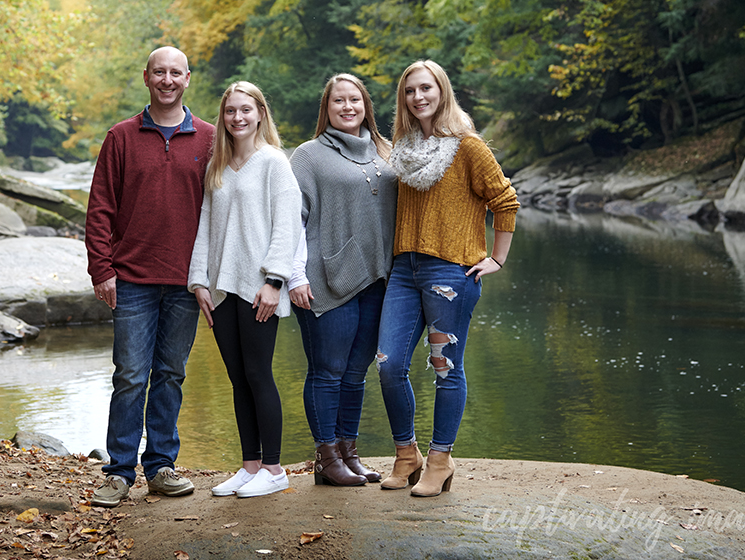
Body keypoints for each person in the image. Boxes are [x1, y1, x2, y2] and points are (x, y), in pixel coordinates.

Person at [376, 59, 519, 497]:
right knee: (388, 365)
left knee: (445, 367)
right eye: (410, 91)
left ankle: (440, 460)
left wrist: (496, 259)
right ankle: (407, 455)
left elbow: (505, 201)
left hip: (450, 273)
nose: (418, 97)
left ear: (442, 91)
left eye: (426, 88)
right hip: (404, 271)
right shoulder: (402, 148)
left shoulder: (468, 146)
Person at [84, 46, 216, 508]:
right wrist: (103, 269)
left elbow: (224, 211)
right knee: (130, 375)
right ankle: (118, 472)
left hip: (186, 281)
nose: (167, 79)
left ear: (187, 79)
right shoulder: (120, 137)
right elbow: (99, 208)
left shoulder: (209, 139)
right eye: (159, 72)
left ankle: (160, 466)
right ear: (146, 78)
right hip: (133, 280)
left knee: (171, 375)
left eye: (175, 72)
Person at [187, 81, 302, 499]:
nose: (238, 118)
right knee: (238, 378)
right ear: (223, 117)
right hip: (221, 288)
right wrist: (199, 279)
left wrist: (275, 282)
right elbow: (205, 225)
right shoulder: (216, 166)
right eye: (230, 111)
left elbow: (287, 227)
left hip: (258, 288)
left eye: (246, 110)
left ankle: (273, 469)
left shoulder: (274, 163)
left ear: (260, 114)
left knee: (258, 373)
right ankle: (250, 465)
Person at [287, 74, 397, 486]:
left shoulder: (384, 152)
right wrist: (295, 276)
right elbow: (290, 220)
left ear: (366, 105)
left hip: (377, 280)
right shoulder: (308, 156)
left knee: (356, 372)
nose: (348, 107)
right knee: (327, 371)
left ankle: (350, 454)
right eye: (339, 101)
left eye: (355, 100)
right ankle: (326, 458)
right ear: (327, 108)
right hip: (325, 279)